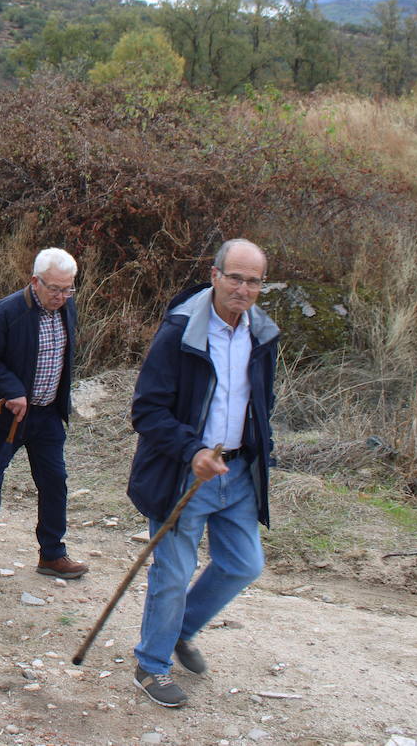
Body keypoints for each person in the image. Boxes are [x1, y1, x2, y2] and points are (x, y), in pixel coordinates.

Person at [129, 239, 278, 709]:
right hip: (184, 473)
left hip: (236, 473)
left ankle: (180, 629)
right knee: (173, 572)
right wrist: (191, 450)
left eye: (253, 281)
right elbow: (147, 411)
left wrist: (258, 452)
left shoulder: (262, 333)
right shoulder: (180, 332)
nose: (243, 288)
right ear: (214, 275)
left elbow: (262, 403)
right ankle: (151, 667)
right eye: (235, 277)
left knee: (243, 563)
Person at [0, 247, 86, 579]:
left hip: (47, 414)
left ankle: (52, 554)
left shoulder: (66, 307)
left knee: (55, 481)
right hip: (7, 416)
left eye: (68, 288)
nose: (62, 296)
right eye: (55, 288)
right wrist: (13, 390)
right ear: (35, 281)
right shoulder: (6, 311)